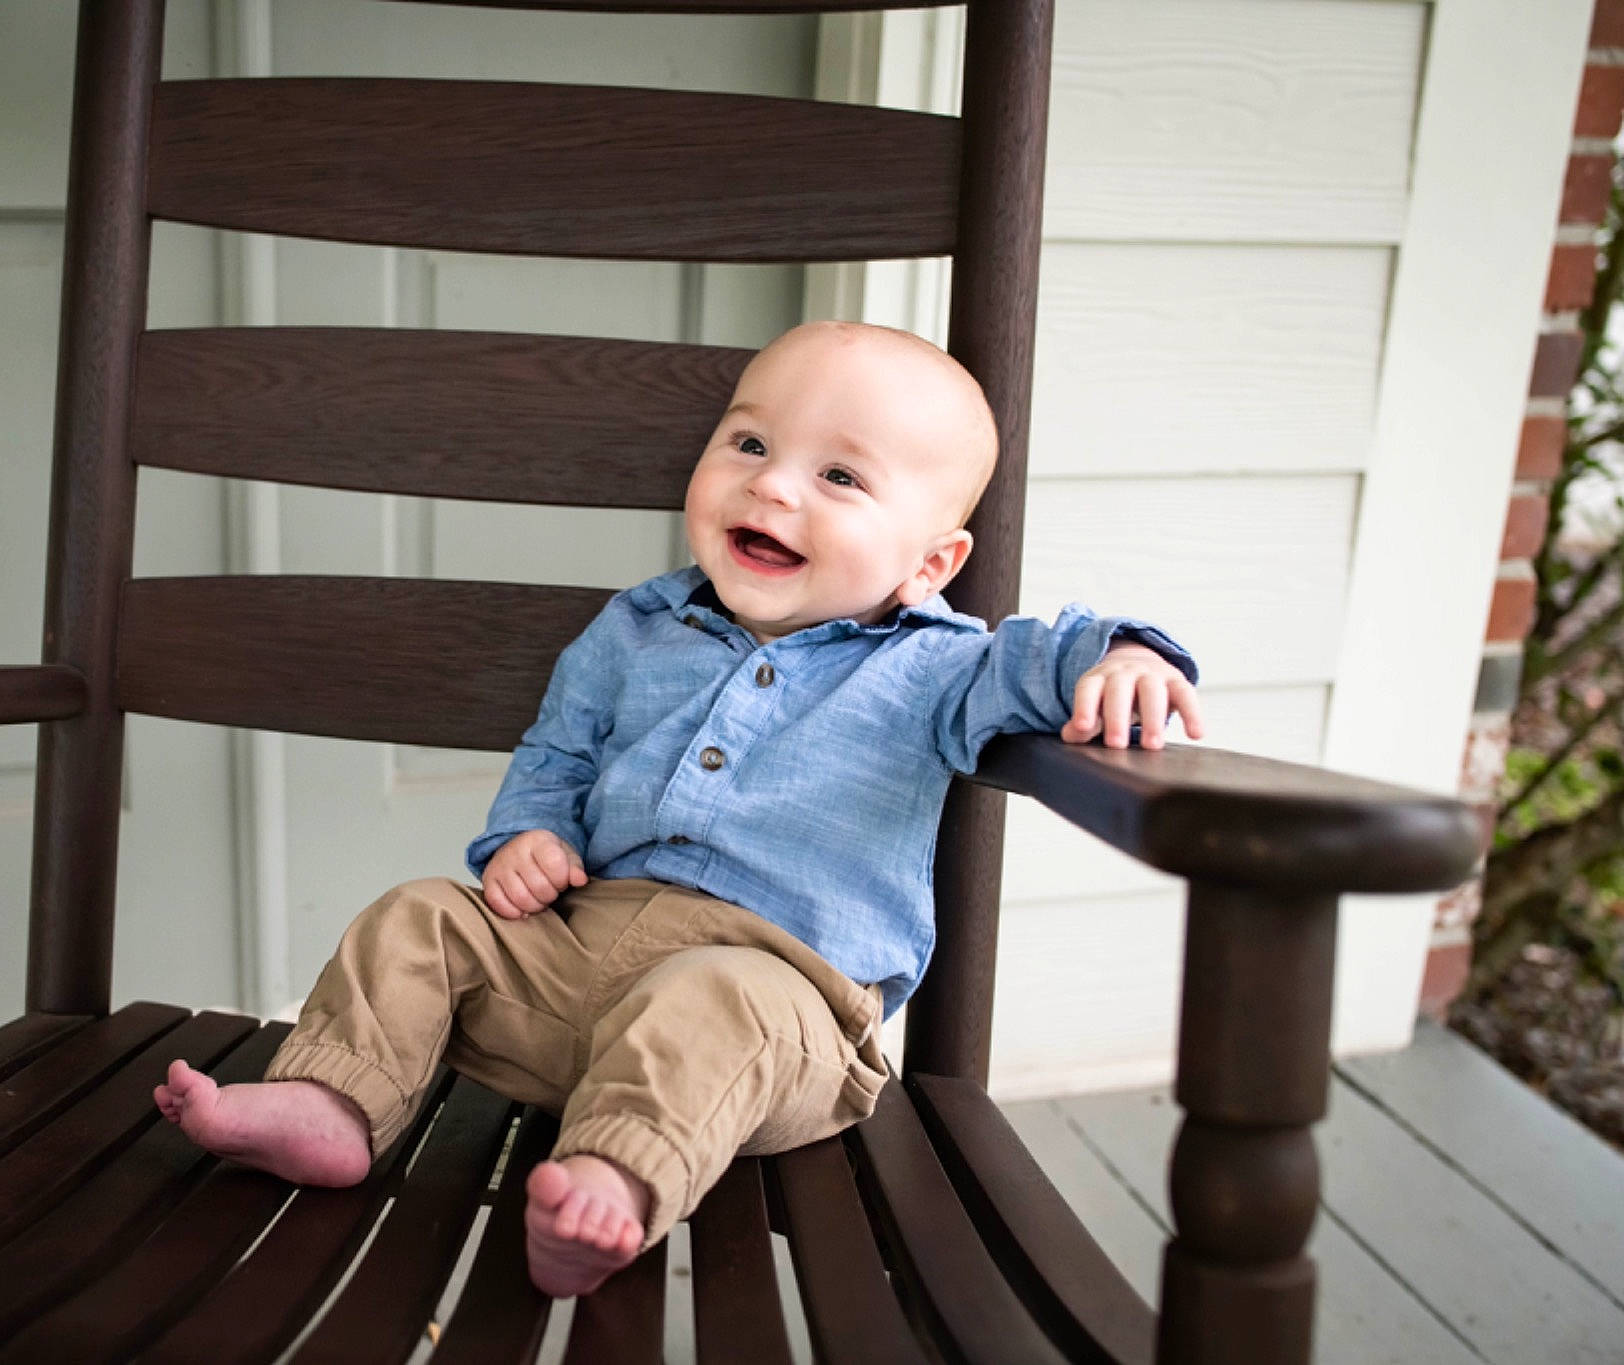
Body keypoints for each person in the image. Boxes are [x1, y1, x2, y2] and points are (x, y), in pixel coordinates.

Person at [153, 321, 1204, 1298]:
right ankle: (332, 1101)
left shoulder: (938, 668)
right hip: (570, 976)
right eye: (747, 444)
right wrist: (530, 835)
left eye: (837, 475)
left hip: (773, 1015)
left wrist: (1117, 655)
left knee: (710, 998)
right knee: (421, 912)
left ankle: (612, 1186)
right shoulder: (635, 629)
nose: (773, 487)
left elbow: (1039, 654)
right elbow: (557, 753)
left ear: (929, 562)